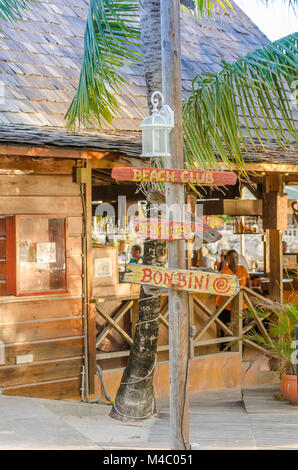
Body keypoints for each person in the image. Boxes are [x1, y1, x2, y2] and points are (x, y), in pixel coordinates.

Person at [216, 250, 251, 348]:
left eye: (236, 257)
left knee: (241, 330)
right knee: (226, 331)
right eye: (231, 258)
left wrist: (249, 300)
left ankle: (240, 352)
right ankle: (225, 352)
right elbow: (223, 289)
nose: (234, 260)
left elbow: (248, 286)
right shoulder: (224, 272)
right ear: (227, 260)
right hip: (225, 306)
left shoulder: (243, 269)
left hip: (242, 305)